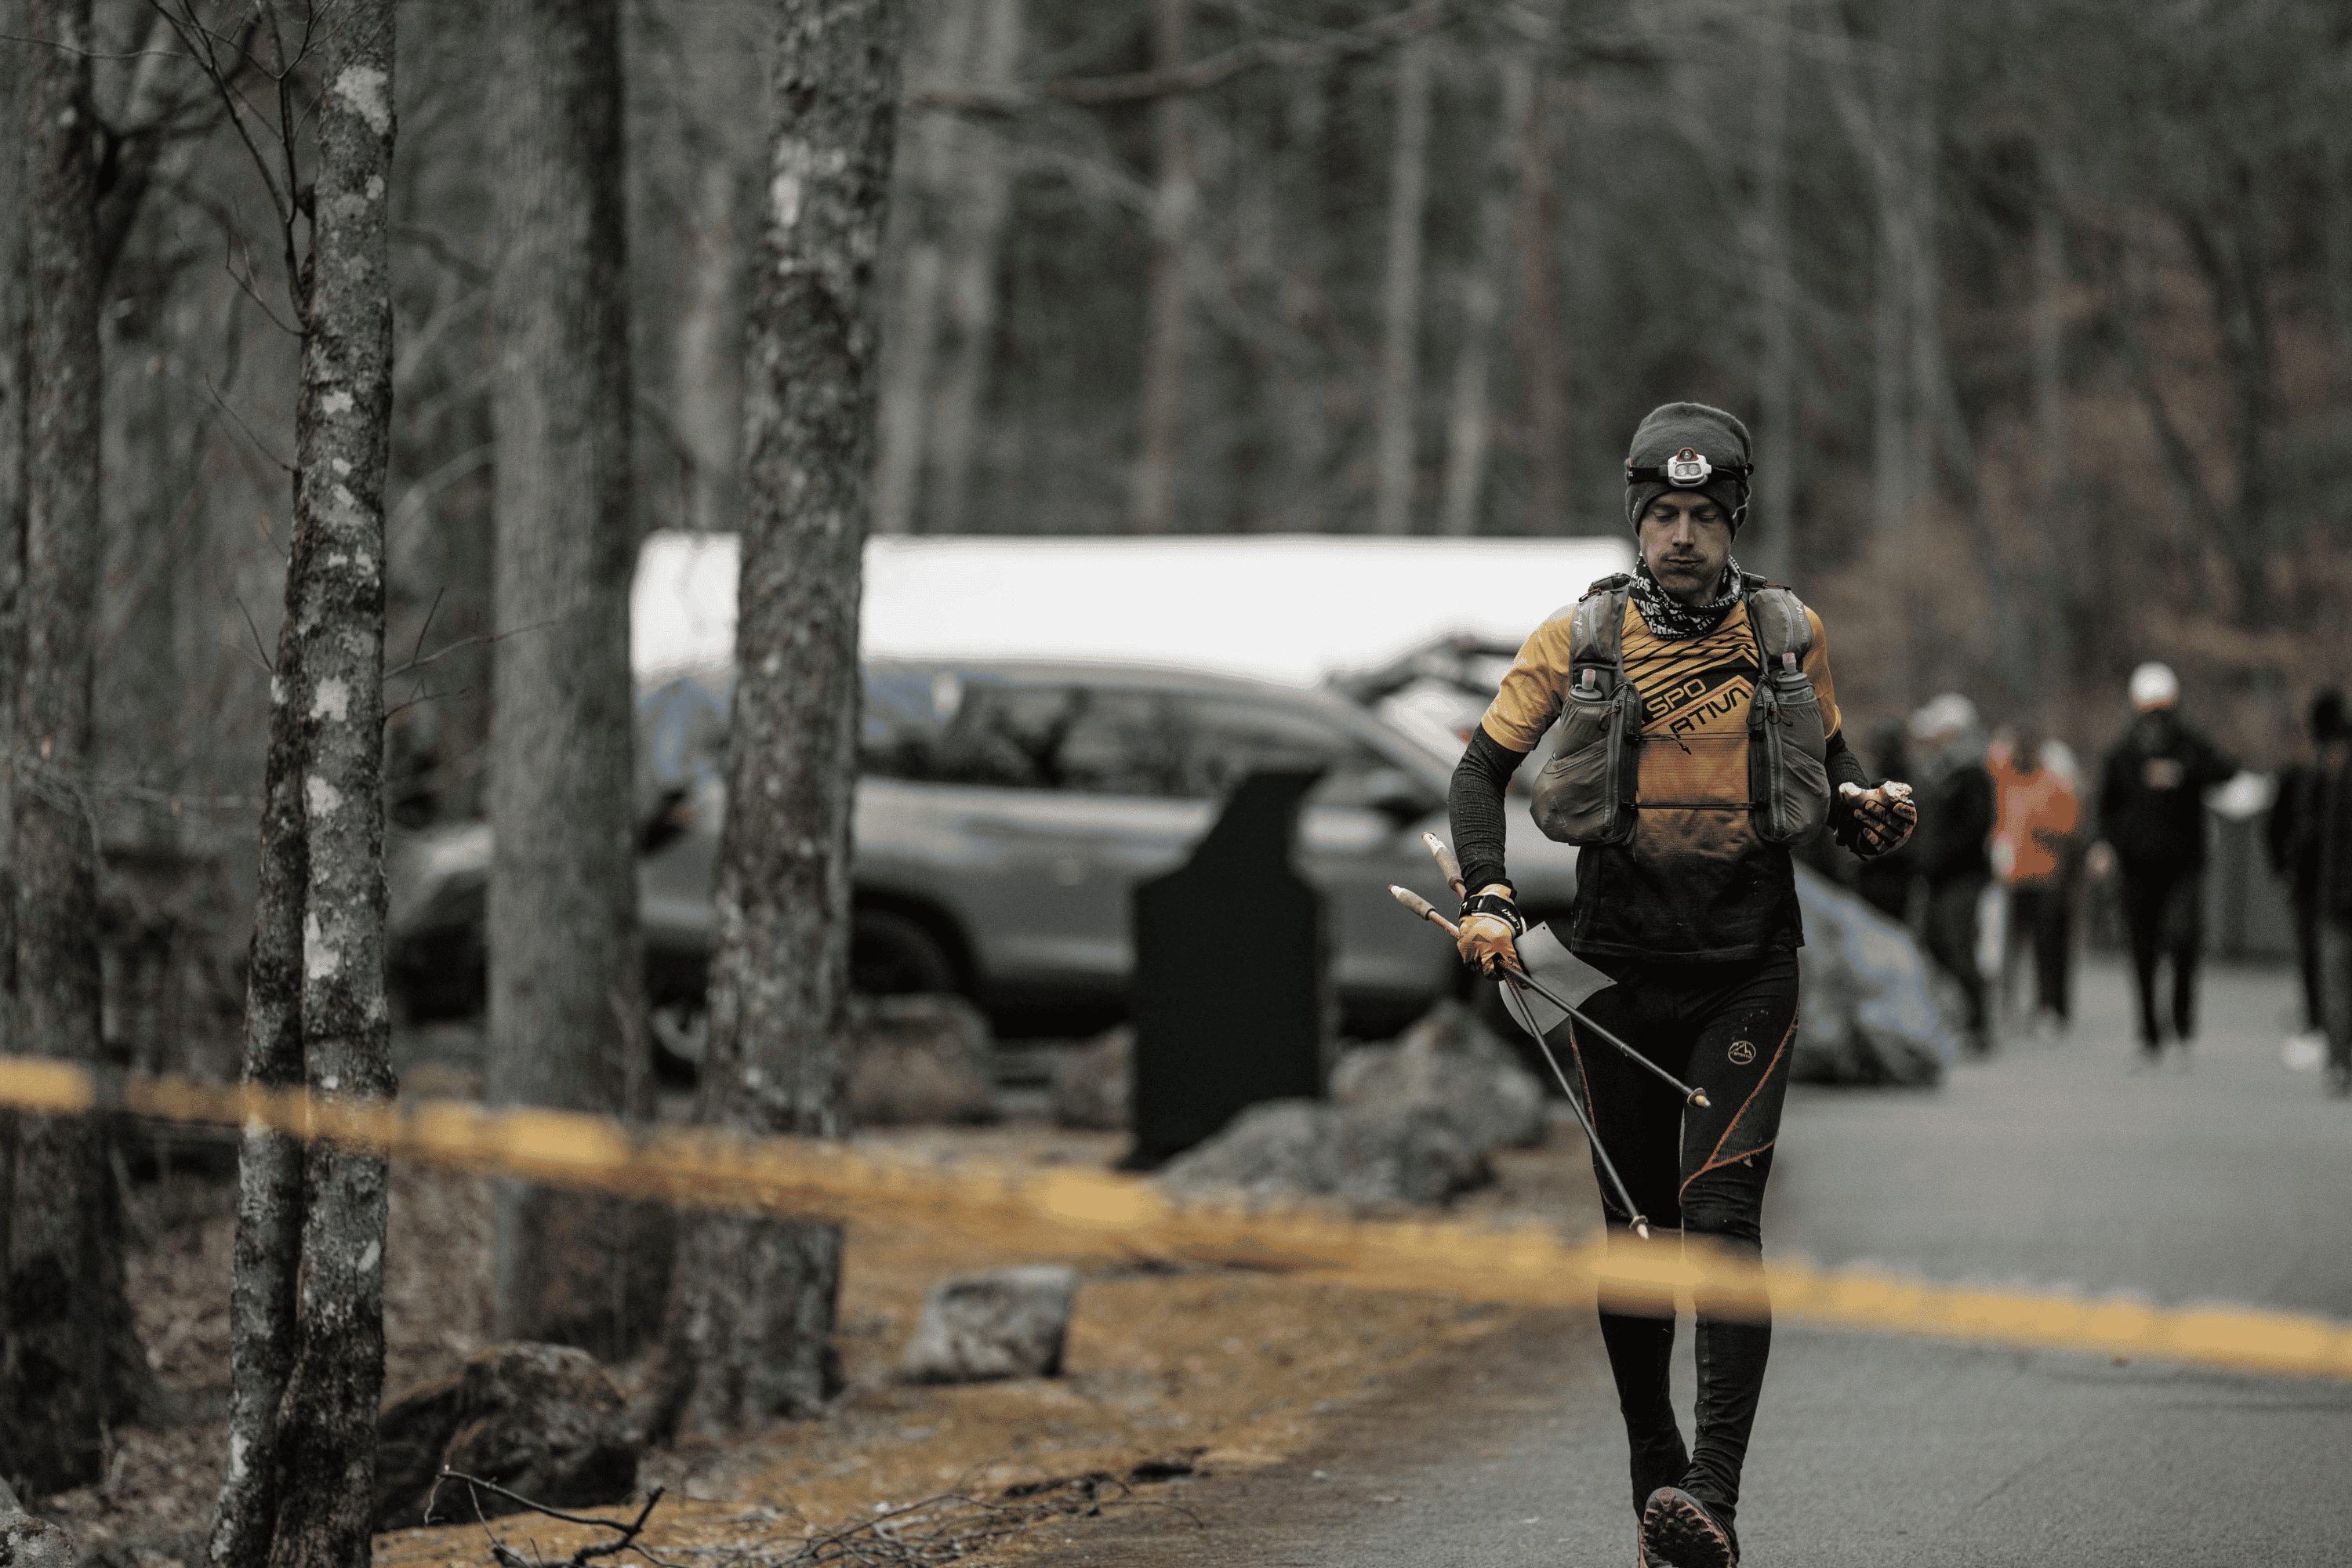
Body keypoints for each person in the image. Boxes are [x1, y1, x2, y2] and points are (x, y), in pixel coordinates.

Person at [1445, 403, 1915, 1568]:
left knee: (1720, 1226)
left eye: (1707, 515)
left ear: (1736, 519)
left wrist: (1866, 812)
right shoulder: (1580, 636)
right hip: (1609, 977)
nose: (1686, 536)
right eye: (1665, 515)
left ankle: (1714, 1496)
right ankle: (1657, 1476)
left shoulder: (1789, 633)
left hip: (1747, 972)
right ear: (1636, 521)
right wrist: (1492, 897)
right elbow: (1478, 770)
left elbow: (1836, 769)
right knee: (1639, 1240)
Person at [2089, 661, 2238, 1063]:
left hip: (2185, 864)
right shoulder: (2122, 754)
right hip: (2137, 865)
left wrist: (2186, 772)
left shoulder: (2189, 747)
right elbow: (2107, 806)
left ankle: (2183, 1025)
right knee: (2142, 948)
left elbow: (2226, 770)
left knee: (2185, 938)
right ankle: (2149, 1032)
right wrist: (2103, 845)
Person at [1910, 694, 1997, 1054]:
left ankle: (1978, 1024)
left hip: (1964, 876)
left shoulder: (1974, 775)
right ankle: (1960, 1014)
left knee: (1960, 946)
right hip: (1937, 878)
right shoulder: (1938, 774)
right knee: (1934, 943)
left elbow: (1974, 828)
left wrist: (1937, 855)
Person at [1989, 721, 2082, 1035]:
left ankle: (2048, 1007)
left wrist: (2045, 827)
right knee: (2009, 950)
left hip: (2045, 878)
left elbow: (2071, 826)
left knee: (2047, 948)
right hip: (2014, 880)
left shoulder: (2052, 785)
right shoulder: (2007, 783)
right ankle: (2008, 1008)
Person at [2268, 690, 2345, 1063]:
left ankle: (2325, 1034)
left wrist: (2284, 869)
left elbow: (2280, 828)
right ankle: (2328, 1034)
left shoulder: (2309, 774)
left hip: (2319, 886)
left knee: (2322, 964)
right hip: (2322, 884)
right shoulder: (2316, 773)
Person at [2316, 704, 2352, 1096]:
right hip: (2337, 896)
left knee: (2338, 983)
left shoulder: (2335, 776)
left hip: (2337, 900)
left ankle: (2340, 1064)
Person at [1856, 716, 1921, 923]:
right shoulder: (1871, 781)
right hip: (1870, 875)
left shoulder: (1910, 785)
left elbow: (1915, 839)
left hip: (1898, 876)